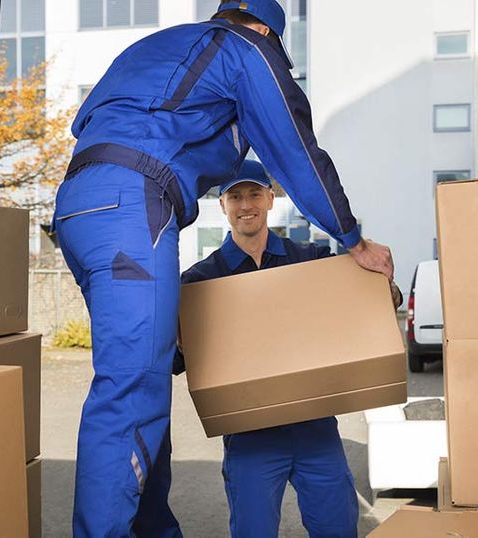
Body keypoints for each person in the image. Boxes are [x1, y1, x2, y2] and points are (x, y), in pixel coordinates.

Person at [53, 1, 394, 535]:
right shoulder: (247, 48)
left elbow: (93, 125)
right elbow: (295, 149)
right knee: (130, 391)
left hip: (79, 206)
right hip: (133, 203)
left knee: (143, 383)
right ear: (263, 31)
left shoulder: (159, 49)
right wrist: (351, 236)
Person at [178, 161, 402, 538]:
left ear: (270, 198)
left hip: (315, 430)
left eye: (253, 194)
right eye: (235, 196)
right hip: (250, 437)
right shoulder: (201, 281)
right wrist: (180, 339)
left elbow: (360, 307)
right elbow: (178, 360)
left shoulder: (310, 261)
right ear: (222, 205)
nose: (245, 204)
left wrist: (386, 290)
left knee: (338, 529)